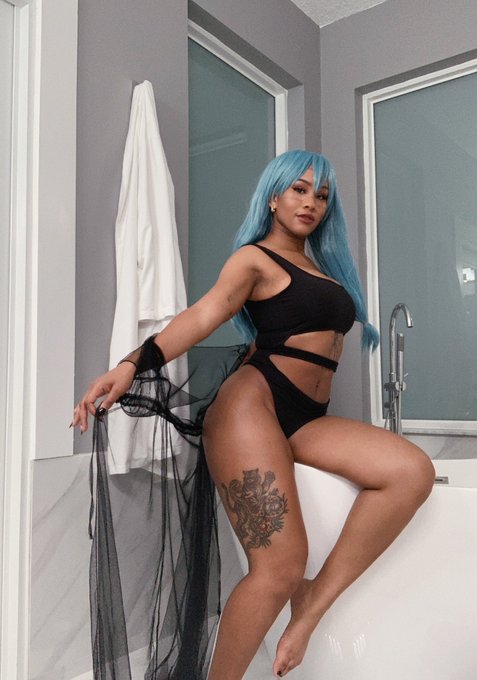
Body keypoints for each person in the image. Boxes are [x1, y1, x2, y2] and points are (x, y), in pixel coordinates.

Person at [72, 150, 435, 680]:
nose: (311, 203)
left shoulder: (321, 267)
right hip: (251, 405)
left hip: (305, 417)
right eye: (299, 190)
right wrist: (131, 364)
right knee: (279, 566)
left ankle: (310, 606)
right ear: (273, 197)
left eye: (322, 195)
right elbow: (203, 314)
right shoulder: (255, 260)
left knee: (411, 472)